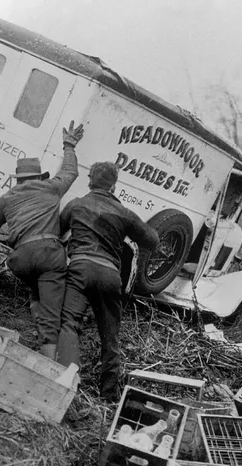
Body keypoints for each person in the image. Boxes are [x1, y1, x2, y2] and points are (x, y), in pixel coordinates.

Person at [0, 121, 84, 360]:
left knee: (36, 290)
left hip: (20, 260)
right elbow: (71, 172)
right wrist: (69, 145)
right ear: (39, 176)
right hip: (49, 256)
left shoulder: (8, 197)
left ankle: (39, 322)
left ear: (18, 179)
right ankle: (46, 365)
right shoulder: (51, 188)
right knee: (52, 314)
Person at [56, 162, 159, 402]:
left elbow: (57, 229)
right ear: (114, 185)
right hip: (110, 276)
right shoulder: (124, 213)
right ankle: (109, 394)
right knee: (110, 337)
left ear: (90, 180)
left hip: (80, 268)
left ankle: (67, 382)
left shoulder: (77, 204)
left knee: (69, 323)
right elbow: (152, 241)